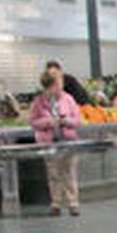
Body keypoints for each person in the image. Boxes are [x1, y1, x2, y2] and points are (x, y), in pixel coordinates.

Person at [29, 70, 82, 216]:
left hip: (68, 140)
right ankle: (56, 203)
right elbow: (33, 122)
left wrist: (67, 121)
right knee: (53, 173)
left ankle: (73, 203)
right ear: (50, 86)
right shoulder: (38, 102)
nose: (61, 87)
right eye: (58, 83)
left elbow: (77, 119)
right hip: (49, 143)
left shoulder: (68, 99)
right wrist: (49, 122)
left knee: (69, 172)